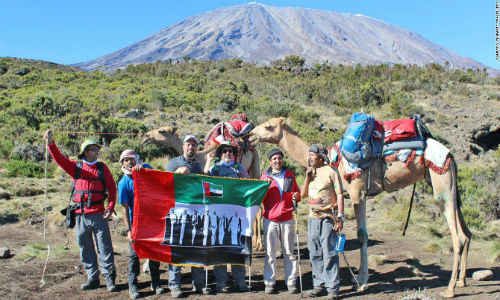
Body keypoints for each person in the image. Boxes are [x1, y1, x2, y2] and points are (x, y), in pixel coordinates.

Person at [43, 129, 118, 293]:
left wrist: (110, 208)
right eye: (93, 149)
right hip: (81, 216)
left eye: (97, 149)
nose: (96, 152)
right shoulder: (75, 167)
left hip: (99, 215)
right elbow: (59, 159)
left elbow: (112, 188)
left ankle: (110, 279)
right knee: (86, 248)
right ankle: (93, 278)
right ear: (85, 152)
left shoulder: (102, 168)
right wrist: (51, 143)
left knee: (105, 248)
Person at [165, 135, 209, 296]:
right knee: (176, 249)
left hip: (195, 214)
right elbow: (164, 185)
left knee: (196, 249)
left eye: (194, 145)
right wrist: (177, 173)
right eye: (188, 144)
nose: (191, 147)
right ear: (183, 146)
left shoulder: (198, 166)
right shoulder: (173, 163)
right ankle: (174, 285)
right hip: (177, 213)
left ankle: (198, 284)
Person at [118, 149, 164, 299]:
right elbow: (124, 209)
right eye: (126, 160)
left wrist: (143, 170)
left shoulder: (146, 170)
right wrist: (128, 230)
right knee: (134, 255)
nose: (129, 162)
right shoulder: (124, 182)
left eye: (132, 159)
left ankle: (156, 283)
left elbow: (157, 177)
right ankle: (133, 286)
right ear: (122, 163)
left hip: (151, 220)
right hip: (135, 222)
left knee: (154, 253)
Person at [301, 144, 344, 300]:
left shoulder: (331, 172)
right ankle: (318, 285)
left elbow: (339, 194)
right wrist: (306, 178)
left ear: (320, 157)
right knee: (314, 252)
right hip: (313, 217)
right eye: (309, 155)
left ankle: (332, 287)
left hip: (327, 218)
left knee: (329, 252)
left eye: (312, 155)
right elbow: (303, 195)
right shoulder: (310, 172)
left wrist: (340, 216)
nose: (310, 158)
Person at [206, 141, 249, 293]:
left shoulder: (240, 169)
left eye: (230, 151)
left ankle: (240, 282)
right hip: (219, 216)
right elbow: (205, 184)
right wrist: (208, 163)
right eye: (224, 151)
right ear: (220, 154)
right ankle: (221, 283)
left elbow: (248, 188)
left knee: (238, 249)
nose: (227, 153)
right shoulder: (214, 169)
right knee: (220, 250)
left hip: (237, 216)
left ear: (234, 153)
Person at [259, 149, 301, 294]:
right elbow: (259, 198)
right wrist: (264, 186)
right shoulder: (264, 177)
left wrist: (297, 195)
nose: (277, 161)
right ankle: (269, 282)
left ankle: (291, 281)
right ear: (270, 161)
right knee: (270, 252)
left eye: (279, 158)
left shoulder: (289, 175)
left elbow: (297, 193)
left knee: (289, 252)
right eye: (274, 159)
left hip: (287, 218)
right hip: (270, 219)